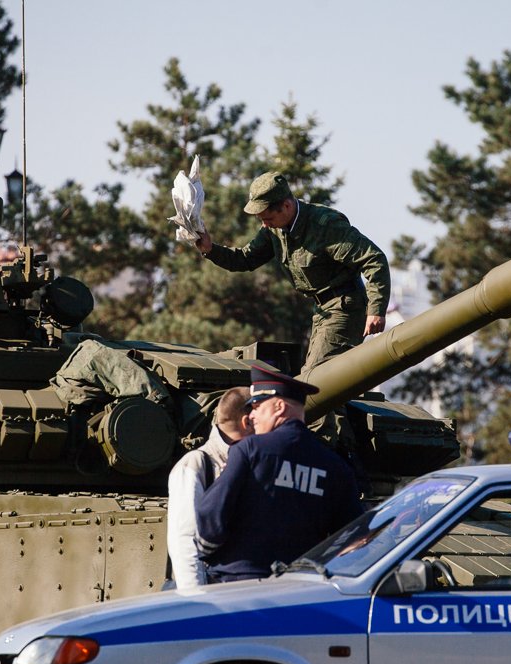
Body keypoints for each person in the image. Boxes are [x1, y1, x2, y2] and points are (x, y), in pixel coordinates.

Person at [194, 171, 391, 370]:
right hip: (322, 311)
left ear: (286, 206)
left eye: (267, 218)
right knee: (315, 381)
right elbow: (246, 259)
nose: (264, 224)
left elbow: (374, 259)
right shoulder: (274, 229)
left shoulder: (325, 225)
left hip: (345, 308)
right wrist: (210, 249)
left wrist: (376, 310)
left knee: (315, 380)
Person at [195, 364, 366, 582]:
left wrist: (208, 554)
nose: (251, 415)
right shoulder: (335, 467)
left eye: (256, 406)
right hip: (298, 588)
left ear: (278, 407)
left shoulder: (250, 450)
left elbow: (210, 520)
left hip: (239, 584)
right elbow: (355, 536)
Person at [166, 386, 253, 589]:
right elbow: (185, 541)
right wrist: (196, 599)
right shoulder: (197, 463)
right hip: (213, 590)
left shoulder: (255, 460)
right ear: (247, 422)